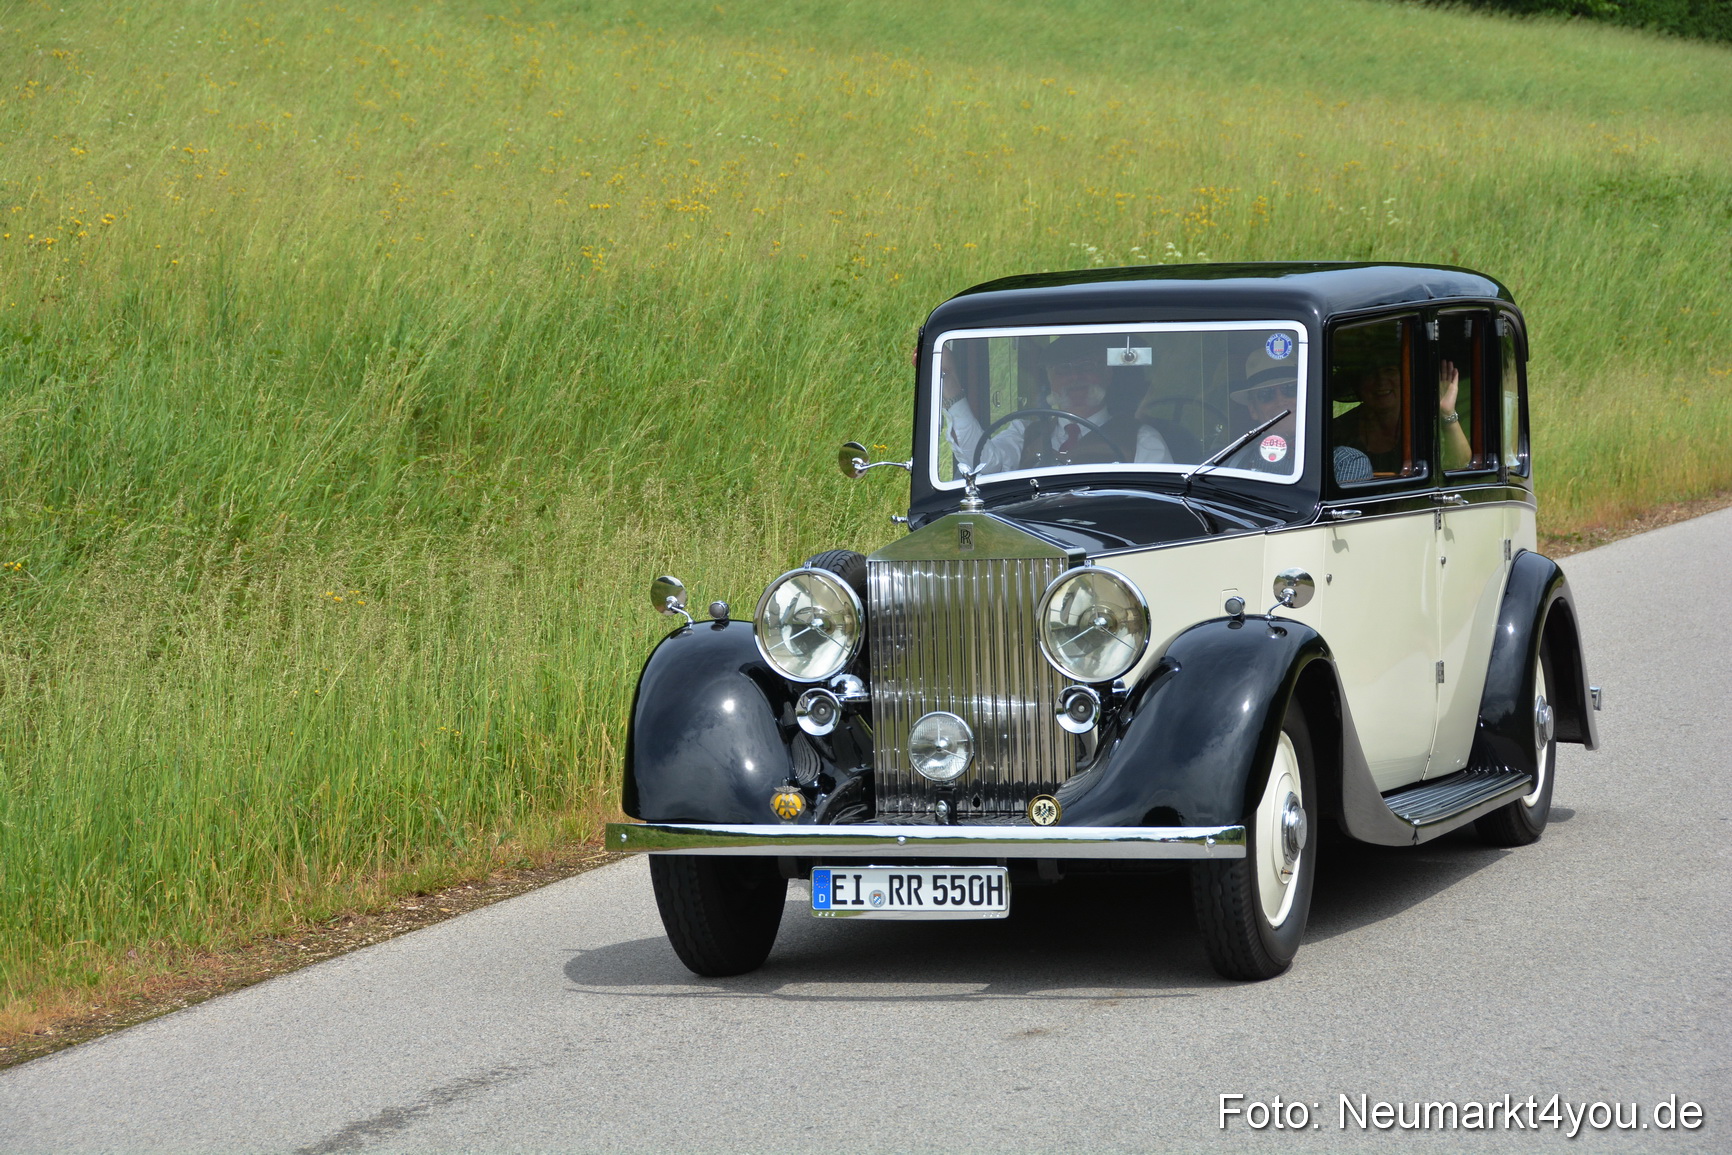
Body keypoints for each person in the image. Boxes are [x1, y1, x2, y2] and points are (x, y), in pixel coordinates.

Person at [943, 334, 1172, 475]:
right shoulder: (1024, 432)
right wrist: (950, 384)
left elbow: (1156, 507)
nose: (1075, 378)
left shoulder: (1141, 439)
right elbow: (981, 465)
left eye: (1086, 366)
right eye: (1063, 369)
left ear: (1107, 373)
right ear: (1050, 379)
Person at [1332, 360, 1472, 478]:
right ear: (1359, 385)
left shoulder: (1425, 424)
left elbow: (1461, 465)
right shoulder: (1339, 429)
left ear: (1405, 378)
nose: (1381, 381)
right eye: (1370, 373)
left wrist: (1447, 412)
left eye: (1389, 371)